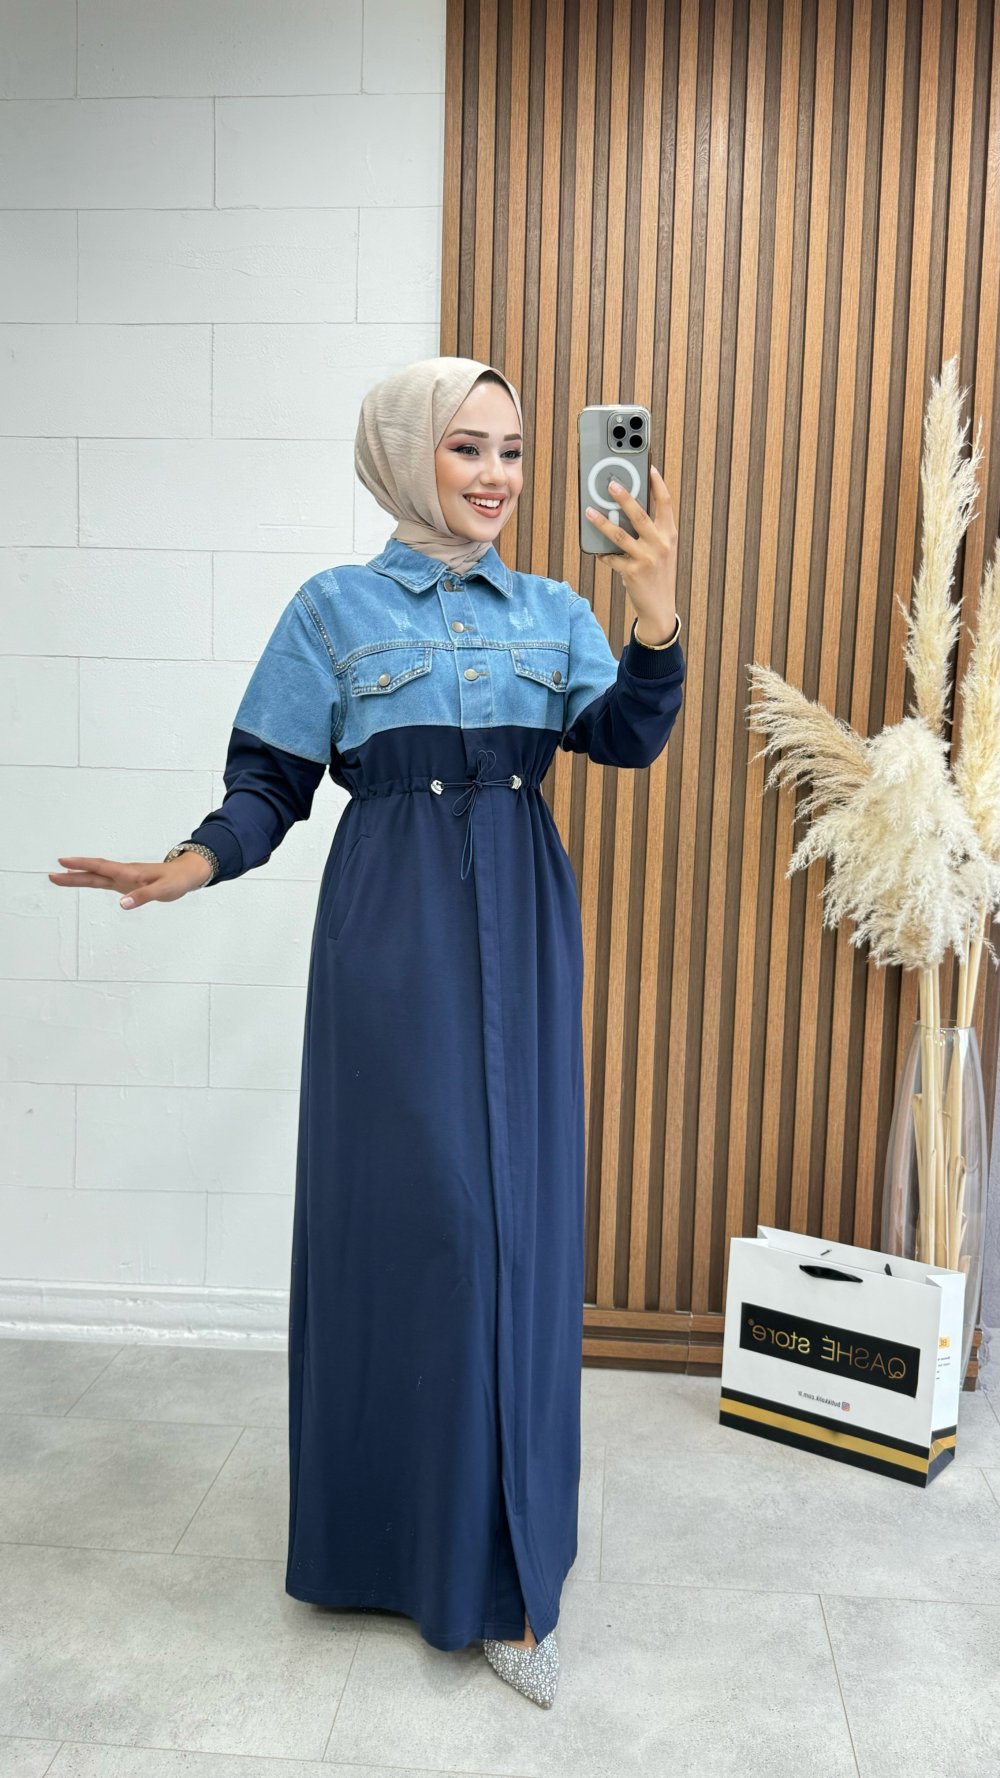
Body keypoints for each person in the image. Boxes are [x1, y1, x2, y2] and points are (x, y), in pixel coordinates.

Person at [48, 355, 686, 1709]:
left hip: (524, 919)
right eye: (467, 447)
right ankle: (393, 1541)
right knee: (422, 1221)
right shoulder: (330, 609)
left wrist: (657, 614)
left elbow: (628, 739)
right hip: (391, 940)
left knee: (512, 1228)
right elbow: (269, 782)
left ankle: (505, 1574)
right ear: (405, 455)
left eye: (513, 450)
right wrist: (191, 863)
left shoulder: (556, 609)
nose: (497, 477)